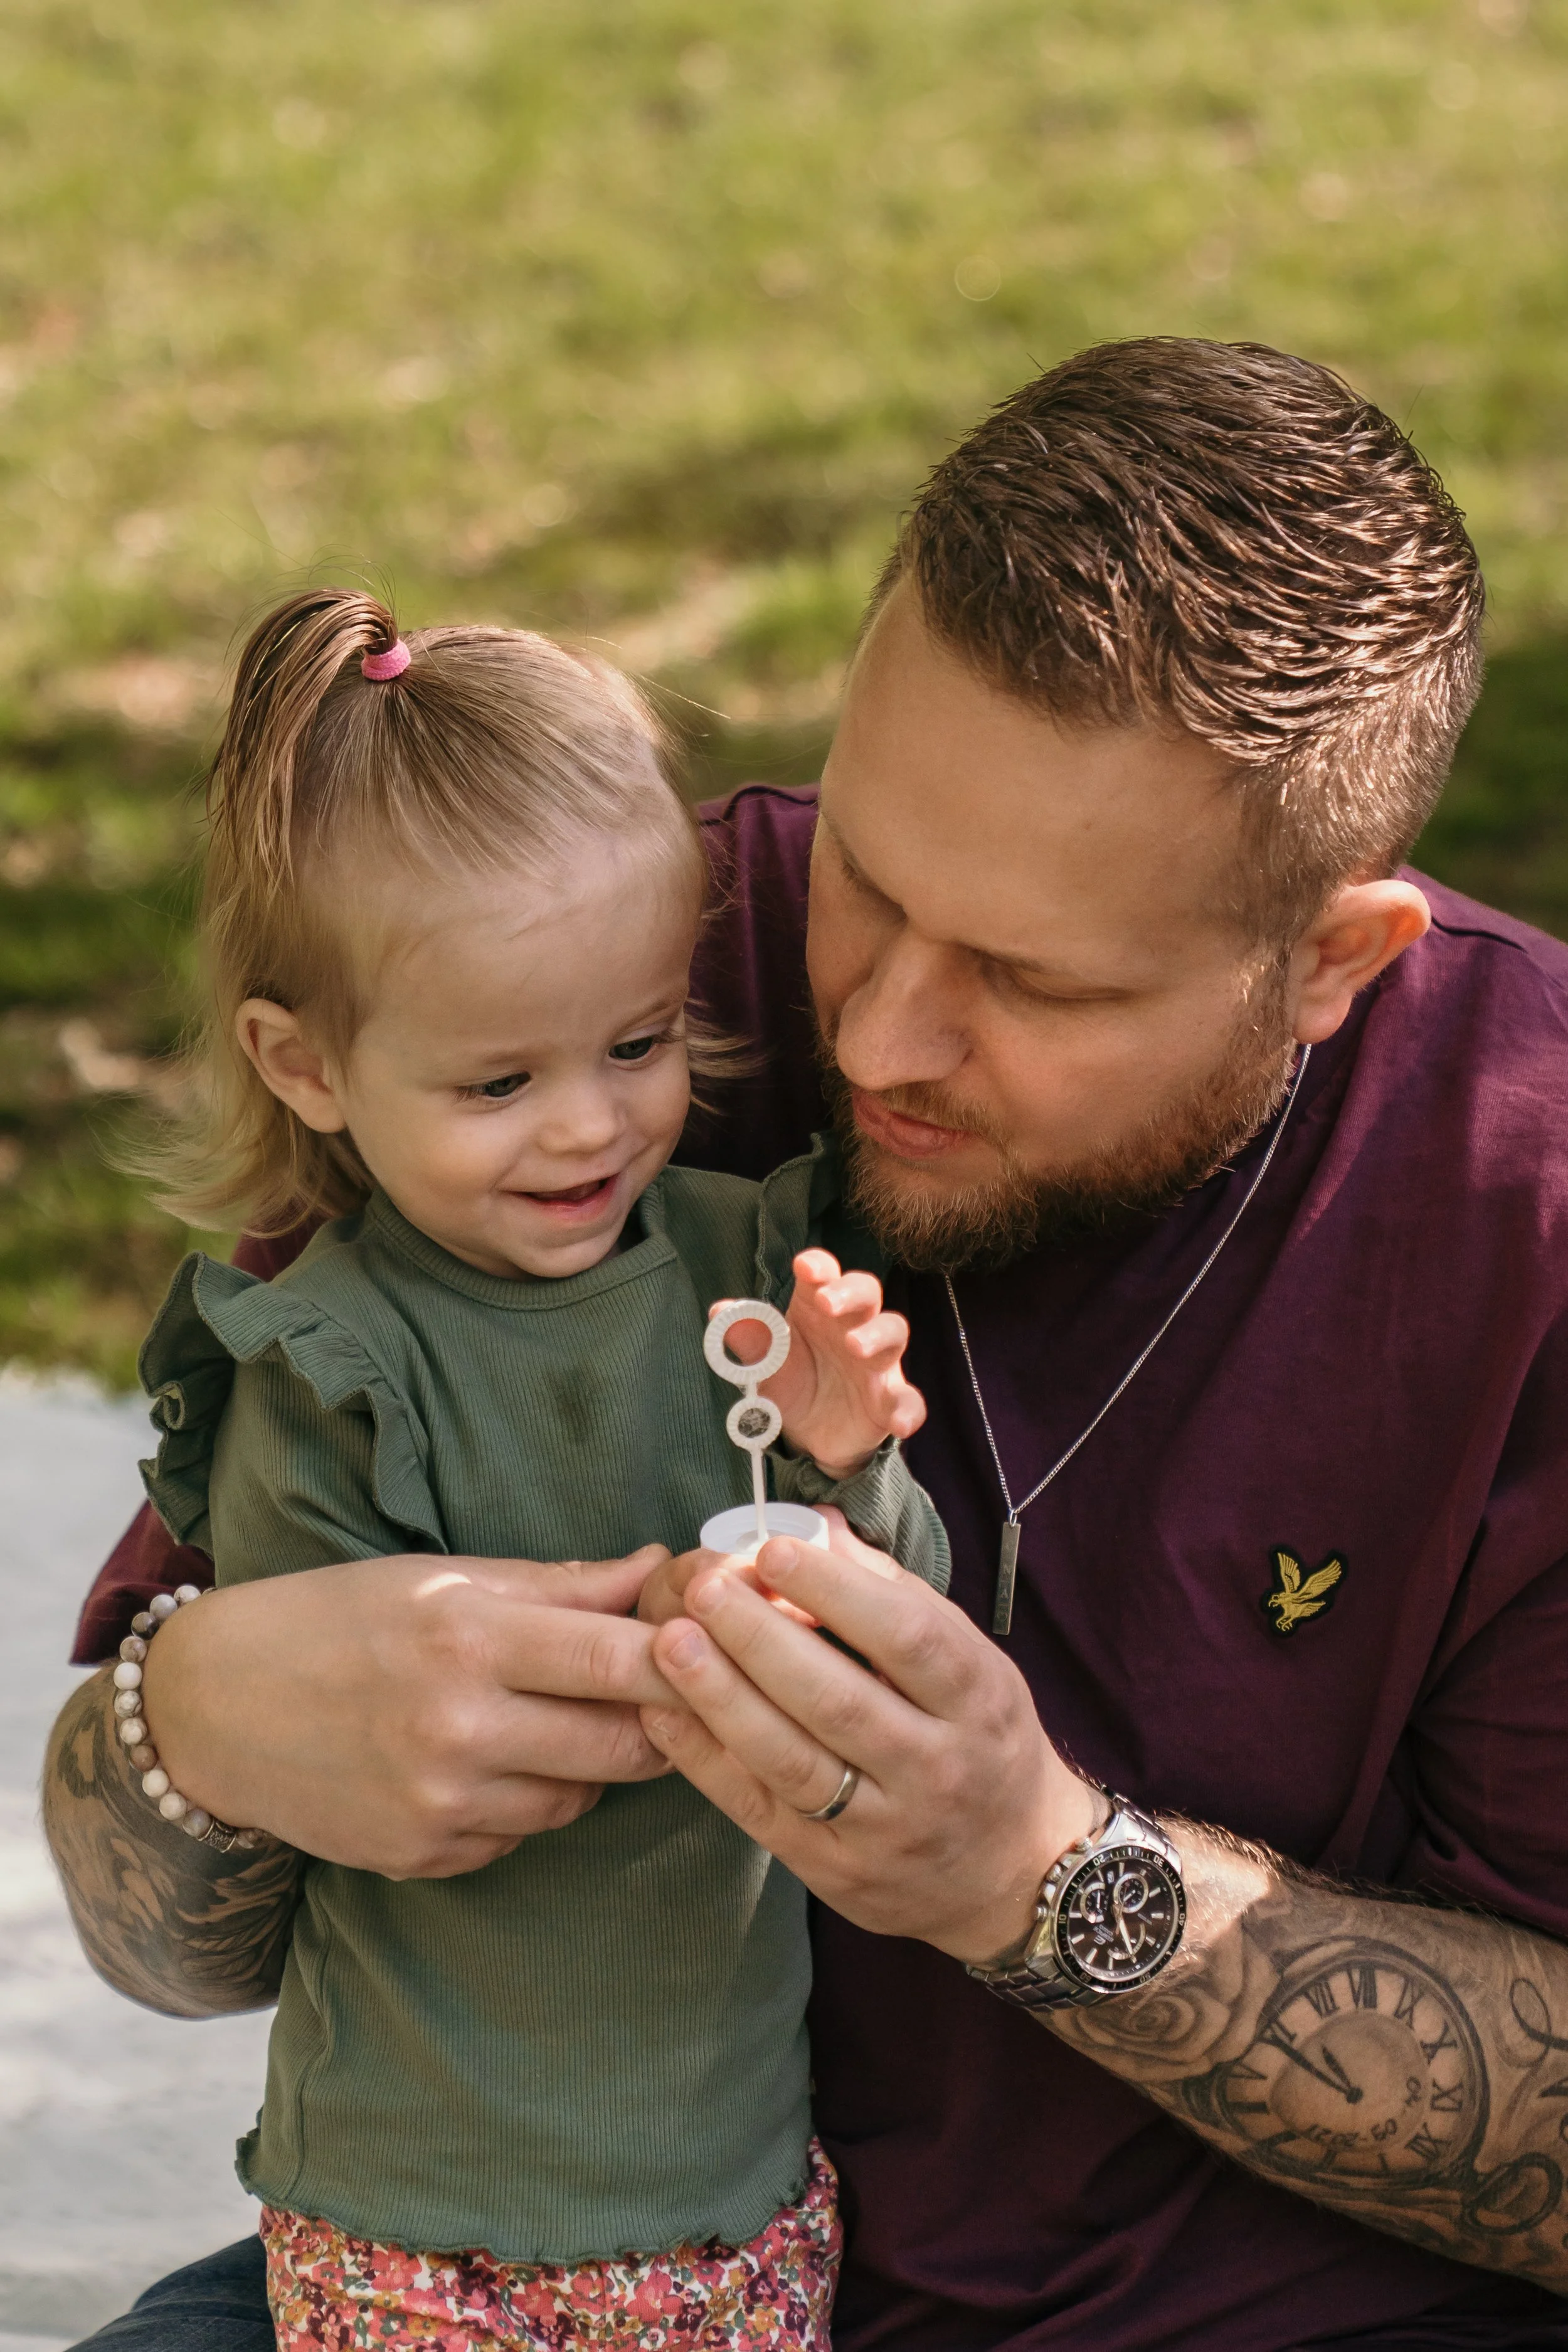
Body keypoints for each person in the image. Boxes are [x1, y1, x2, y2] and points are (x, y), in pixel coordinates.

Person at [47, 337, 1568, 2352]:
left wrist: (1031, 1874)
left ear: (1325, 961)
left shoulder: (1518, 1210)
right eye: (867, 868)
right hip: (500, 2271)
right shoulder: (602, 971)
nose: (868, 1033)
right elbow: (146, 1921)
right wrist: (210, 1726)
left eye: (1029, 978)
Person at [113, 588, 947, 2351]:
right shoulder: (338, 1369)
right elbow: (345, 1718)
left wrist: (847, 1461)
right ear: (307, 1065)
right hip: (419, 2193)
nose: (589, 1123)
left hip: (718, 2174)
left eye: (638, 1042)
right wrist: (660, 1624)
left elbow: (908, 1639)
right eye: (498, 1079)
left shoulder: (745, 1274)